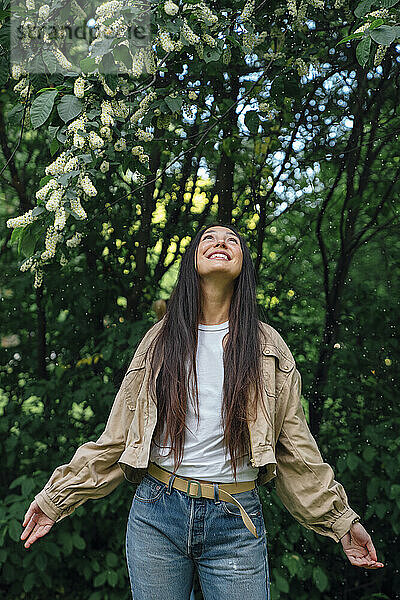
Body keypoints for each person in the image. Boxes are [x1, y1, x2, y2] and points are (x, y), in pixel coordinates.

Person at [21, 223, 384, 599]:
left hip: (235, 522)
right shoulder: (160, 340)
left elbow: (295, 451)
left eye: (232, 240)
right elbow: (118, 438)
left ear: (243, 265)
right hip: (157, 514)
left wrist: (341, 522)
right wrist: (57, 498)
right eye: (209, 238)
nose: (221, 243)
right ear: (192, 260)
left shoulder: (266, 347)